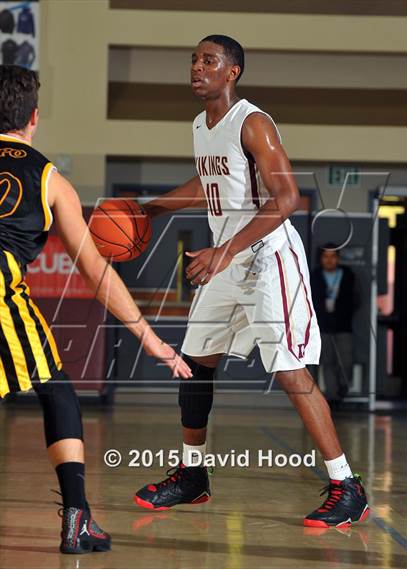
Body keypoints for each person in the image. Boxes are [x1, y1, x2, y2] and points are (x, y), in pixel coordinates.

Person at [134, 35, 369, 528]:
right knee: (195, 364)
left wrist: (225, 250)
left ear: (232, 71)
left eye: (209, 60)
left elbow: (287, 198)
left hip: (267, 259)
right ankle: (193, 476)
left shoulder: (253, 122)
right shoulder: (202, 125)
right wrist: (150, 209)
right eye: (194, 60)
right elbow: (208, 183)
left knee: (289, 372)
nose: (197, 67)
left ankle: (347, 486)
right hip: (228, 259)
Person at [0, 65, 192, 554]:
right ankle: (77, 519)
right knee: (57, 392)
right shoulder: (49, 179)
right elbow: (97, 275)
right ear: (34, 118)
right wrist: (151, 338)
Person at [311, 244, 359, 406]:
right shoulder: (315, 276)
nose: (329, 260)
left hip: (343, 326)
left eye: (333, 256)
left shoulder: (347, 275)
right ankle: (332, 397)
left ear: (338, 258)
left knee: (346, 361)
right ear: (321, 259)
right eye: (326, 256)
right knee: (327, 361)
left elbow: (357, 299)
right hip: (323, 327)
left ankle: (342, 389)